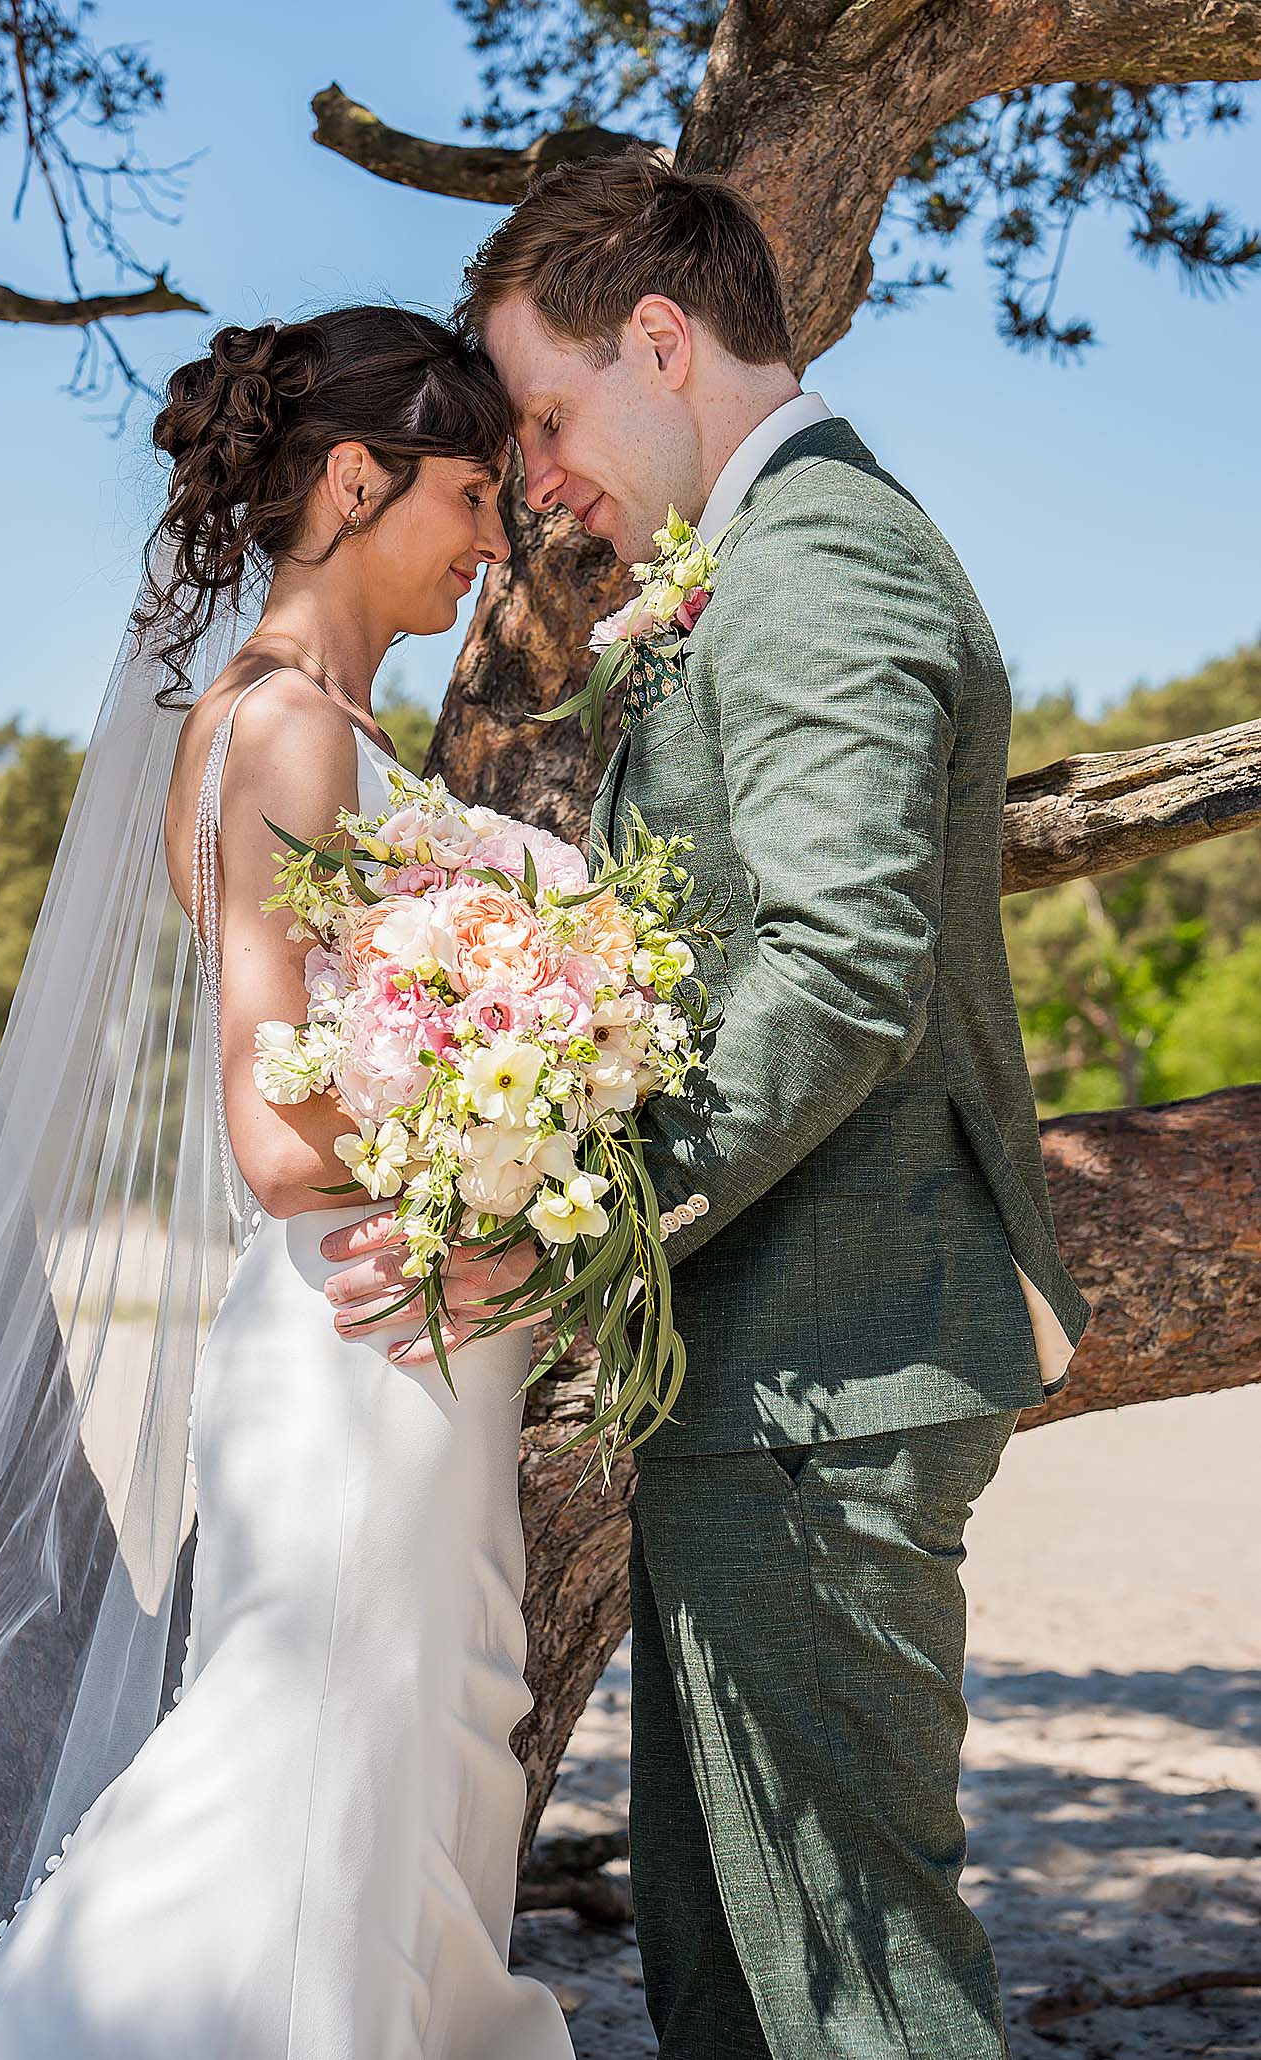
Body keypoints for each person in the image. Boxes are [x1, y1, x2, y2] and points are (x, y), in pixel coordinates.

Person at [328, 148, 1093, 2057]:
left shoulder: (819, 561)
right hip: (770, 1382)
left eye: (553, 412)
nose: (542, 475)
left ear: (659, 341)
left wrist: (559, 1236)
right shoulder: (754, 565)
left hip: (826, 1385)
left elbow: (837, 970)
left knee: (853, 1987)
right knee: (734, 1970)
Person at [0, 305, 574, 2059]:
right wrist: (536, 1152)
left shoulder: (304, 718)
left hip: (404, 1348)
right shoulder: (285, 733)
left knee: (390, 1774)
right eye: (472, 497)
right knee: (314, 1794)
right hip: (364, 1343)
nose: (493, 547)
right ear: (354, 479)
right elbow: (277, 1139)